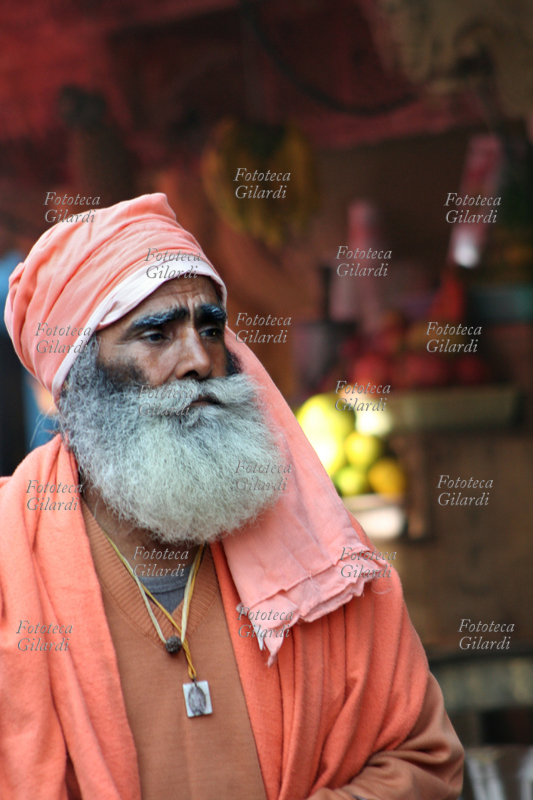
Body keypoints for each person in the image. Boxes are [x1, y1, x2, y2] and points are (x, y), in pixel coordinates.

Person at [0, 193, 463, 800]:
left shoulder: (325, 561)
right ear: (80, 378)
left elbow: (422, 761)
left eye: (210, 328)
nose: (197, 359)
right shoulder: (13, 565)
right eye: (156, 334)